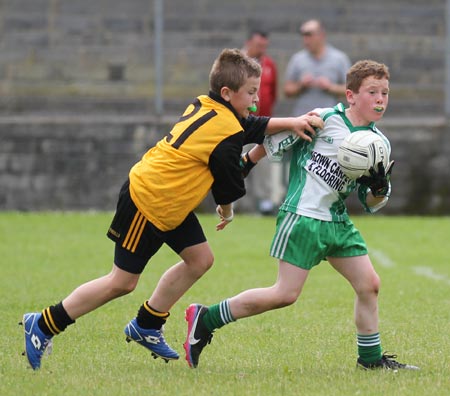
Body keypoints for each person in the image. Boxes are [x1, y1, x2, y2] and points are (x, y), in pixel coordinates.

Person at [21, 48, 323, 371]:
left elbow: (249, 127)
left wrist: (292, 122)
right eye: (251, 92)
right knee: (121, 282)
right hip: (148, 201)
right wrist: (228, 210)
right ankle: (42, 324)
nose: (255, 100)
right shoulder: (228, 131)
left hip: (171, 203)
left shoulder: (207, 105)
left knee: (200, 259)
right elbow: (228, 183)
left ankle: (147, 324)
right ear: (227, 93)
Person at [183, 59, 420, 371]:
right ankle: (207, 317)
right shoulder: (323, 119)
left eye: (385, 93)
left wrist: (378, 185)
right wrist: (247, 163)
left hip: (337, 221)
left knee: (369, 284)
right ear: (350, 96)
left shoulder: (379, 144)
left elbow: (372, 202)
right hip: (303, 216)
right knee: (285, 294)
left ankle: (371, 360)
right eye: (372, 92)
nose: (380, 99)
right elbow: (274, 141)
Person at [241, 29, 280, 215]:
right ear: (249, 43)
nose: (261, 49)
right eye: (258, 45)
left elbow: (272, 93)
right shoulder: (236, 64)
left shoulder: (269, 64)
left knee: (262, 162)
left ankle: (264, 202)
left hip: (261, 123)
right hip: (239, 121)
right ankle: (235, 202)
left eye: (264, 46)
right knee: (235, 159)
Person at [284, 19, 351, 116]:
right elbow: (287, 90)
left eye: (309, 35)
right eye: (304, 36)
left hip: (331, 119)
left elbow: (350, 90)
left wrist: (330, 87)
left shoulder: (339, 58)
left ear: (322, 35)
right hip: (303, 118)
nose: (305, 40)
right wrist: (301, 85)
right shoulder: (297, 59)